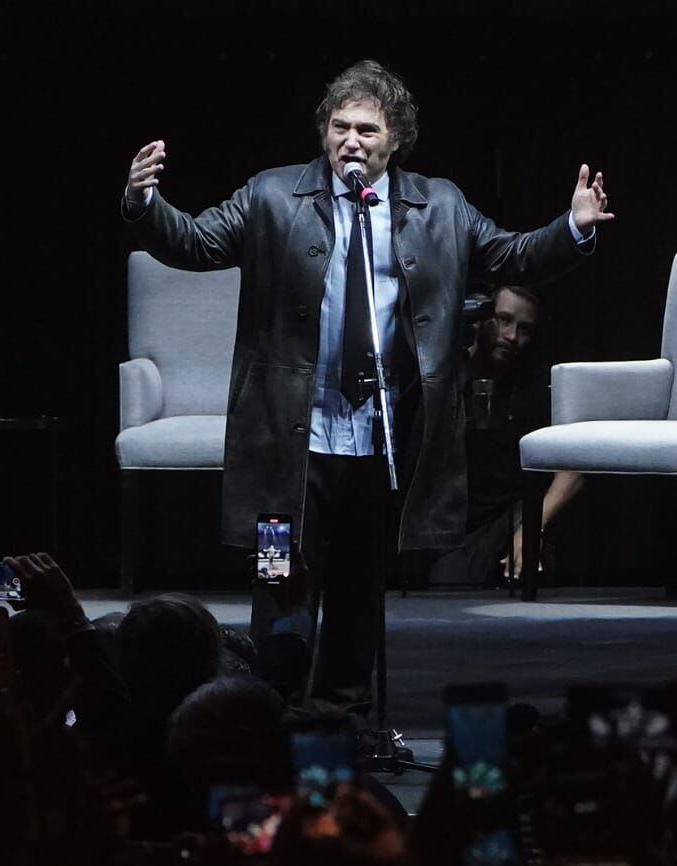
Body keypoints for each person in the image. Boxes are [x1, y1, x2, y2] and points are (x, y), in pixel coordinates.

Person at [122, 60, 611, 706]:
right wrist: (144, 204)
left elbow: (510, 257)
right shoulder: (272, 196)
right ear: (324, 131)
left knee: (356, 591)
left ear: (395, 139)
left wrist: (572, 227)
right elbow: (195, 244)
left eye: (367, 130)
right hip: (286, 442)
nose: (350, 140)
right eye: (339, 125)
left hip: (376, 438)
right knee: (278, 579)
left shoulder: (439, 206)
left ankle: (341, 721)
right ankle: (272, 712)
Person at [426, 285, 585, 586]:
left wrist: (530, 529)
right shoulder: (445, 375)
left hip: (510, 518)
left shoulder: (535, 385)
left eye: (524, 329)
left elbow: (572, 469)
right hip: (450, 520)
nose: (512, 336)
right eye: (504, 320)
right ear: (482, 319)